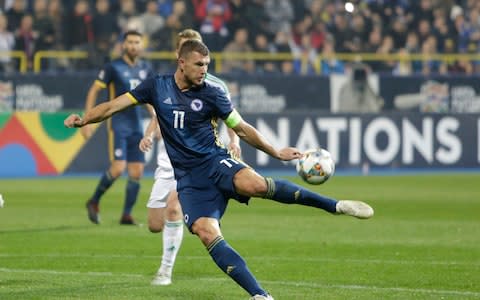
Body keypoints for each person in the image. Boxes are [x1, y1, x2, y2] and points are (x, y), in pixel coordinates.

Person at [64, 39, 374, 300]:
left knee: (254, 185)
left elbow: (242, 128)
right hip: (189, 180)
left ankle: (335, 206)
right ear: (181, 62)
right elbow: (113, 105)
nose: (204, 72)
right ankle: (260, 295)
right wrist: (84, 119)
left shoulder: (212, 92)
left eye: (208, 66)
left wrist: (276, 151)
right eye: (199, 65)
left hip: (216, 162)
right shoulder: (156, 87)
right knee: (205, 232)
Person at [138, 28, 241, 286]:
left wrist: (235, 140)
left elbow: (231, 118)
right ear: (179, 56)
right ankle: (194, 219)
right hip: (167, 160)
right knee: (154, 223)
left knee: (174, 207)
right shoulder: (164, 85)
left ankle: (165, 271)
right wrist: (150, 134)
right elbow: (156, 115)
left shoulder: (215, 86)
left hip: (198, 160)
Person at [81, 30, 154, 225]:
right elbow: (94, 90)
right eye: (130, 42)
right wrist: (86, 119)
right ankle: (94, 201)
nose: (133, 46)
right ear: (123, 45)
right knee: (118, 168)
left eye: (137, 42)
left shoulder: (146, 68)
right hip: (118, 123)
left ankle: (126, 215)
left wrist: (156, 117)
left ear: (141, 45)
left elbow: (148, 96)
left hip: (137, 124)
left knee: (137, 171)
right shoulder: (113, 67)